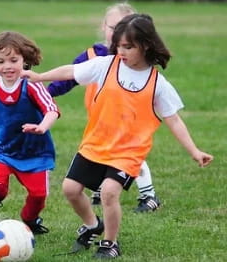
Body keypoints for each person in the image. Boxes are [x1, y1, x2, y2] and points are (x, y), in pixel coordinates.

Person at [22, 14, 213, 258]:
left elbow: (173, 119)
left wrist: (195, 151)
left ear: (145, 45)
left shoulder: (158, 84)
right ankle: (93, 225)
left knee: (109, 192)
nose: (121, 51)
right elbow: (72, 71)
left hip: (128, 151)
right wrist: (40, 76)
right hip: (95, 143)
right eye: (119, 46)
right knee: (70, 189)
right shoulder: (106, 65)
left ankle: (109, 243)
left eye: (128, 46)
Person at [47, 2, 162, 212]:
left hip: (129, 121)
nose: (118, 35)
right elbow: (69, 77)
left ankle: (148, 195)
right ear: (103, 27)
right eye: (113, 28)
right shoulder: (92, 56)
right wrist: (46, 93)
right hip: (101, 119)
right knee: (100, 153)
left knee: (128, 156)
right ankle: (101, 188)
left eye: (124, 29)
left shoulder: (133, 59)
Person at [0, 31, 61, 235]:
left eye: (13, 60)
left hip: (34, 151)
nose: (7, 66)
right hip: (1, 147)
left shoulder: (32, 84)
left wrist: (42, 126)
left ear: (24, 59)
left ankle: (30, 219)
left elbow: (51, 109)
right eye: (1, 61)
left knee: (38, 195)